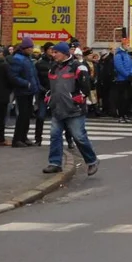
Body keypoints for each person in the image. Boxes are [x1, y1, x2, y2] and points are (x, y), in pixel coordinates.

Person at [42, 42, 100, 177]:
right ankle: (55, 163)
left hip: (74, 109)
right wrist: (49, 97)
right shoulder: (53, 68)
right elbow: (52, 86)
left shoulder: (78, 67)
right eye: (53, 52)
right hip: (58, 107)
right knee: (55, 135)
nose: (54, 54)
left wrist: (77, 99)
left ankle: (92, 160)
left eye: (56, 52)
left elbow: (86, 87)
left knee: (79, 136)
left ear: (64, 53)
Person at [8, 37, 39, 147]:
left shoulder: (27, 58)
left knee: (26, 116)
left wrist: (36, 86)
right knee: (22, 116)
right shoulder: (18, 59)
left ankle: (23, 137)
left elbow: (33, 75)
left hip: (29, 91)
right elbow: (13, 76)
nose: (32, 49)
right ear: (25, 48)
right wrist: (27, 83)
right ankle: (17, 139)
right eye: (30, 47)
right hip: (22, 91)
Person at [112, 41, 132, 123]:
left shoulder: (127, 55)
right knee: (122, 98)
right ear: (123, 45)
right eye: (127, 45)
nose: (128, 46)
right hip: (121, 80)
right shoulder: (118, 55)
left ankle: (126, 114)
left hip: (128, 79)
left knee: (128, 98)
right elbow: (119, 67)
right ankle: (121, 115)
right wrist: (127, 75)